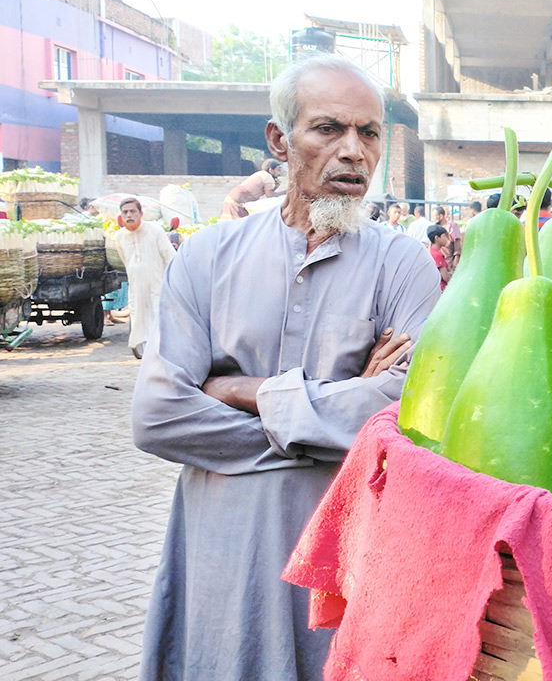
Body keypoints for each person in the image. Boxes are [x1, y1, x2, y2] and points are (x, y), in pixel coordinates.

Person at [131, 54, 441, 681]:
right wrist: (342, 408)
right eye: (329, 128)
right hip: (224, 548)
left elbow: (410, 407)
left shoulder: (403, 263)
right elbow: (159, 415)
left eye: (369, 133)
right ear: (279, 140)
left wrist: (242, 390)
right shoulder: (208, 255)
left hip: (347, 550)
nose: (353, 151)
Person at [114, 197, 175, 358]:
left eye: (132, 211)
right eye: (125, 212)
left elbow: (170, 257)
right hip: (137, 288)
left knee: (159, 320)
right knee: (140, 321)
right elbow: (126, 261)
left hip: (158, 286)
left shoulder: (155, 230)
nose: (129, 215)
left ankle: (163, 356)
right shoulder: (119, 236)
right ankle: (149, 358)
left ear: (141, 213)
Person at [426, 223, 453, 290]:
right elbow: (445, 277)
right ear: (437, 238)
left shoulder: (432, 251)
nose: (447, 239)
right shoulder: (437, 254)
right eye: (444, 236)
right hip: (441, 288)